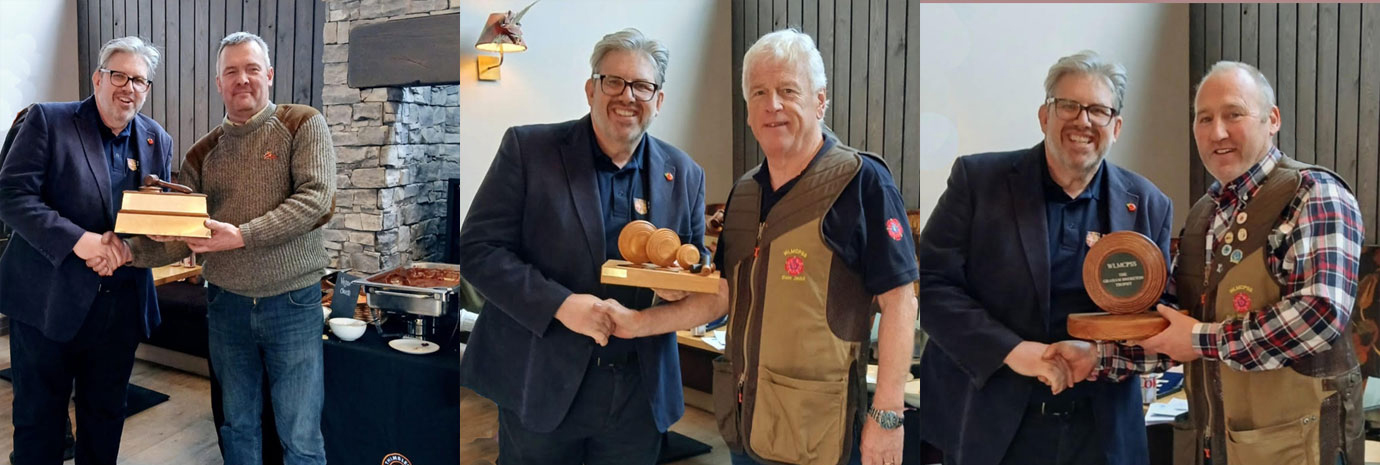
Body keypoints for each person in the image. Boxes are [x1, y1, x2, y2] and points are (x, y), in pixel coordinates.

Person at [598, 28, 917, 465]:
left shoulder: (862, 182)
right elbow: (723, 298)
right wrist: (638, 322)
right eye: (759, 93)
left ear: (820, 101)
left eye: (788, 90)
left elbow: (900, 302)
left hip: (822, 431)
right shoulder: (745, 193)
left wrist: (888, 417)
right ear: (748, 111)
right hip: (746, 426)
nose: (773, 105)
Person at [1051, 61, 1366, 465]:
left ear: (1272, 120)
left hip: (1302, 450)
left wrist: (1201, 339)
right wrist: (1097, 358)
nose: (1217, 132)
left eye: (1233, 114)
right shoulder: (1204, 214)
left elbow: (1318, 315)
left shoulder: (1314, 194)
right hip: (1218, 446)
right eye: (1204, 118)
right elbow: (1176, 329)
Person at [456, 28, 706, 464]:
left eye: (642, 86)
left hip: (638, 396)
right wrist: (561, 305)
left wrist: (681, 284)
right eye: (614, 81)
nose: (627, 96)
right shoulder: (529, 150)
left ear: (659, 101)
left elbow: (697, 265)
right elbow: (479, 250)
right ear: (591, 89)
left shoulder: (684, 173)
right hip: (540, 383)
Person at [916, 51, 1174, 465]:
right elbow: (929, 285)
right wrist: (1014, 351)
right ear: (1044, 115)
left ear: (1117, 126)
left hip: (1103, 435)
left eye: (1098, 110)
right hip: (993, 428)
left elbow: (1161, 316)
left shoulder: (1148, 205)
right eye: (1068, 105)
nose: (1082, 120)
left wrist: (1100, 356)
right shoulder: (979, 183)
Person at [128, 31, 336, 465]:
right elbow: (186, 233)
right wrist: (128, 251)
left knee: (300, 433)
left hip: (293, 303)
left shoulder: (303, 122)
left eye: (252, 69)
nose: (243, 79)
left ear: (270, 76)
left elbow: (315, 200)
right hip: (226, 306)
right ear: (219, 83)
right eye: (232, 72)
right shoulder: (202, 153)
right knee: (237, 427)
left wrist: (242, 235)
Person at [0, 36, 173, 464]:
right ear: (97, 78)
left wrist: (128, 249)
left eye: (139, 80)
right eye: (119, 75)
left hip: (119, 311)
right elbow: (11, 196)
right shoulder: (47, 121)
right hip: (47, 306)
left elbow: (159, 219)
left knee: (106, 420)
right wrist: (84, 242)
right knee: (40, 426)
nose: (128, 87)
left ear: (147, 88)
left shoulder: (156, 140)